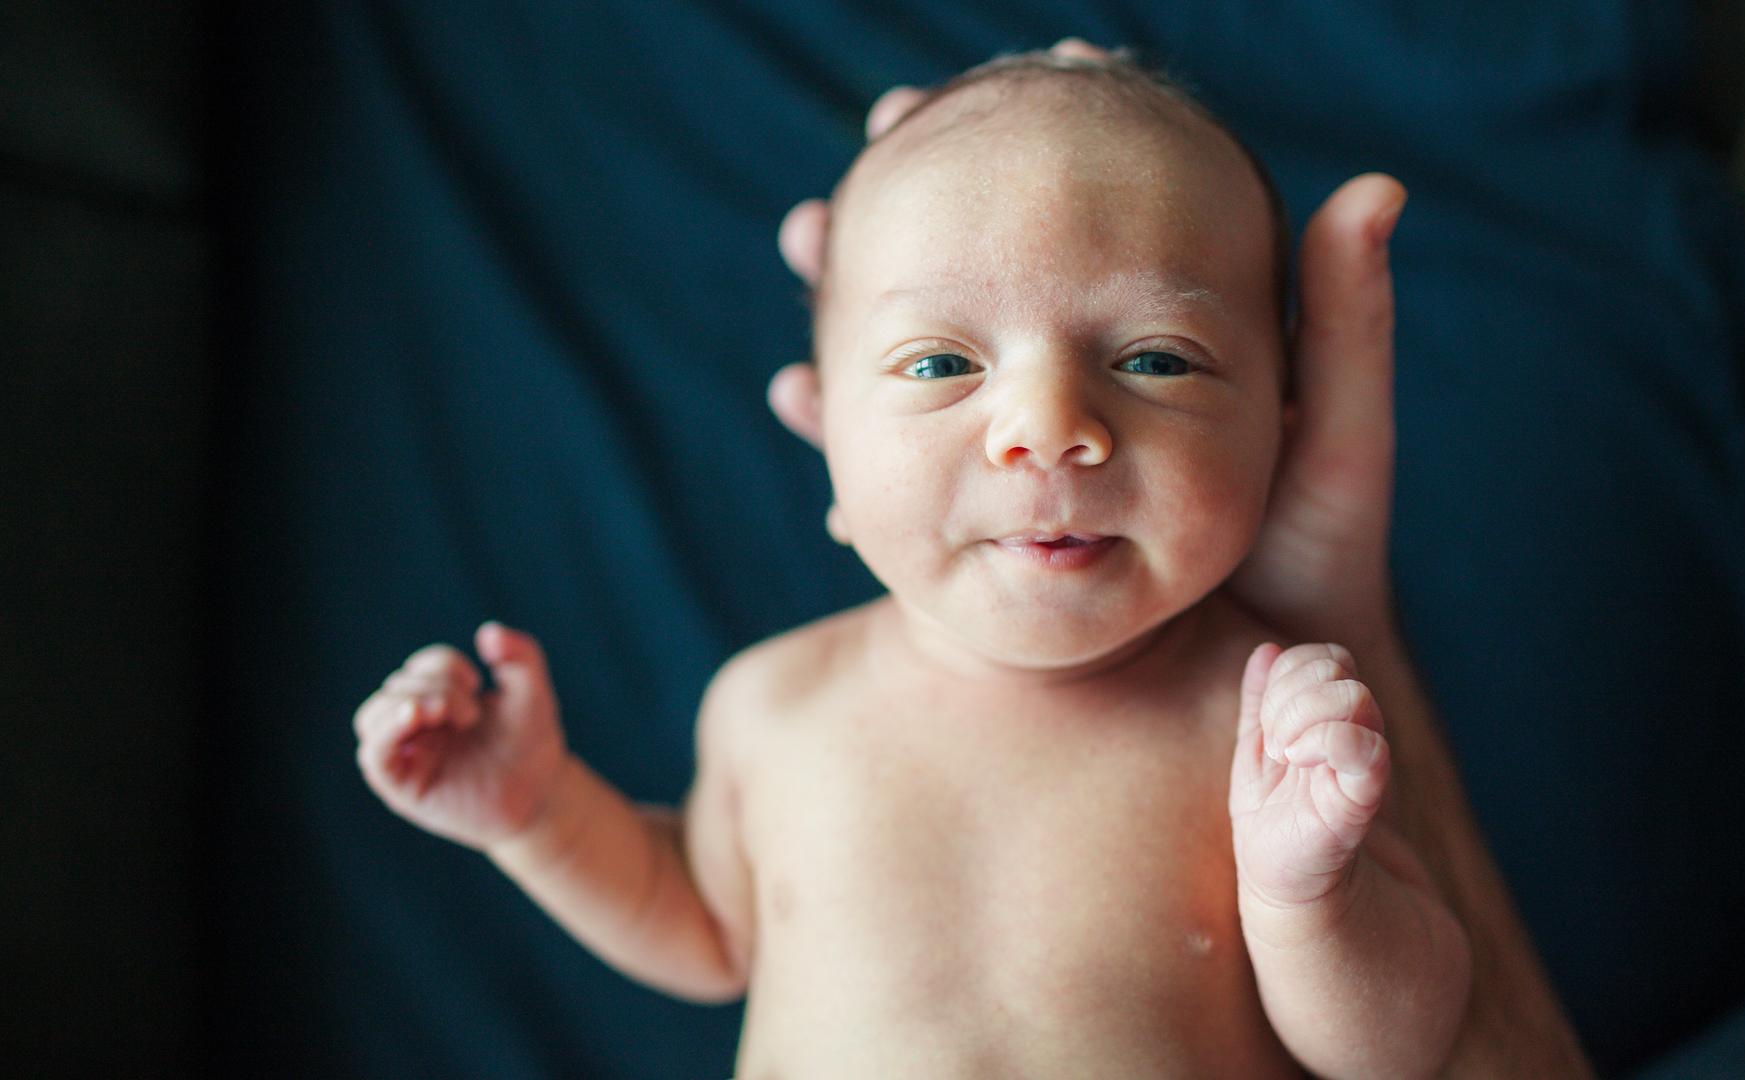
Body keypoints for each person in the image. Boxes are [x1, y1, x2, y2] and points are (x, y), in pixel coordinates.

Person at [354, 44, 1591, 1078]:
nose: (1046, 426)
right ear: (823, 427)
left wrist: (1309, 896)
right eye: (942, 364)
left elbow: (1397, 1047)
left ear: (1285, 419)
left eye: (1156, 357)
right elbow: (704, 927)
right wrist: (534, 818)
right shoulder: (776, 707)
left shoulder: (1265, 722)